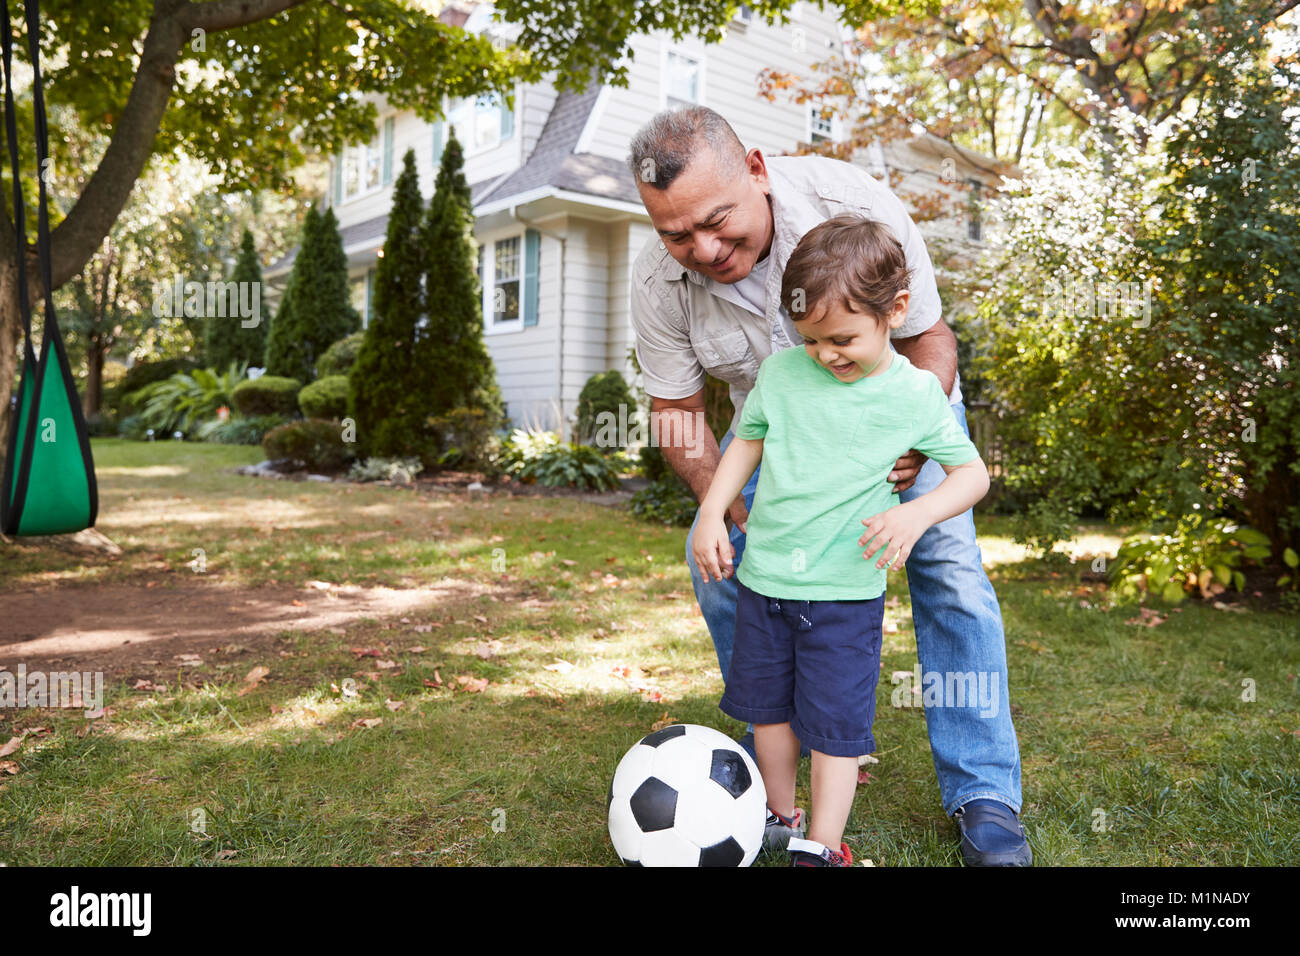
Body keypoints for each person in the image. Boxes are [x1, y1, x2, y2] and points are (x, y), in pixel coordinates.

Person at [627, 105, 1032, 866]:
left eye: (717, 221)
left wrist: (911, 449)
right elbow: (678, 413)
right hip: (781, 435)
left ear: (755, 168)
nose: (704, 249)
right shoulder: (658, 281)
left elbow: (929, 337)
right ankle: (774, 755)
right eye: (677, 235)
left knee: (948, 574)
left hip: (898, 419)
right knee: (718, 566)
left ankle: (983, 791)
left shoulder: (853, 203)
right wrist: (736, 514)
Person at [691, 214, 990, 866]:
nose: (826, 354)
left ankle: (822, 846)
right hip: (764, 581)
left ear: (897, 311)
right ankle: (777, 815)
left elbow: (973, 475)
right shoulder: (783, 374)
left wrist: (917, 515)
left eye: (844, 338)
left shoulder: (913, 393)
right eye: (812, 339)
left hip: (844, 597)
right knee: (766, 713)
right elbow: (747, 440)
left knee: (833, 729)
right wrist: (714, 510)